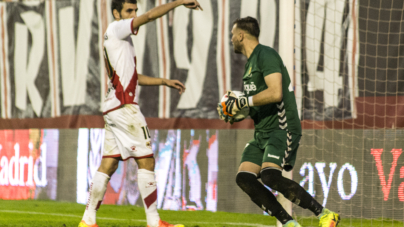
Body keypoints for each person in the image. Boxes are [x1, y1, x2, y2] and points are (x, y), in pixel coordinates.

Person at [79, 1, 202, 227]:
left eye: (135, 10)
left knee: (108, 164)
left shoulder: (119, 39)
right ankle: (154, 222)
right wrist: (178, 2)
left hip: (113, 107)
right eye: (129, 11)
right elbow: (149, 17)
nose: (134, 15)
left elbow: (133, 78)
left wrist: (163, 81)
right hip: (124, 108)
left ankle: (88, 220)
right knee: (146, 161)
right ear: (116, 13)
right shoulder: (117, 29)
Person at [218, 16, 340, 227]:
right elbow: (258, 103)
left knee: (270, 176)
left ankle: (325, 214)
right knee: (244, 178)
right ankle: (289, 223)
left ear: (241, 35)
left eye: (231, 35)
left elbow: (275, 93)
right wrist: (237, 111)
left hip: (282, 128)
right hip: (262, 132)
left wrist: (242, 101)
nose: (231, 40)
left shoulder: (266, 55)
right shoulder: (250, 66)